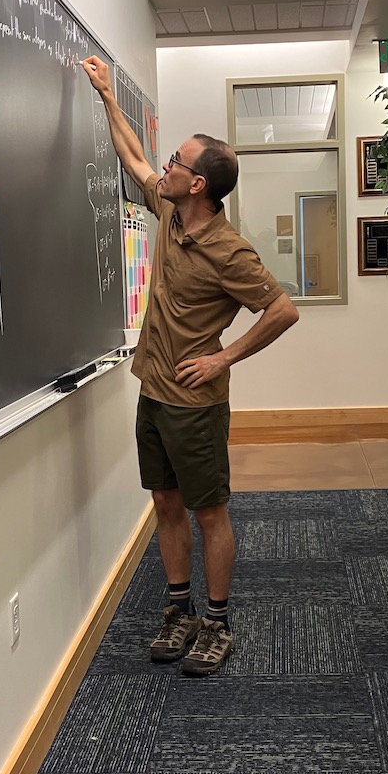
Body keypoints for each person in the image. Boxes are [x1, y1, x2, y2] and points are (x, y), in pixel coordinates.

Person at [80, 56, 299, 676]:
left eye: (178, 162)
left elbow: (282, 311)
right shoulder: (171, 211)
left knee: (209, 513)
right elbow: (135, 160)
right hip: (153, 389)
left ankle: (218, 622)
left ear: (199, 183)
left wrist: (224, 356)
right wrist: (108, 100)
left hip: (195, 405)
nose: (167, 167)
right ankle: (179, 610)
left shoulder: (231, 251)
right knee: (165, 502)